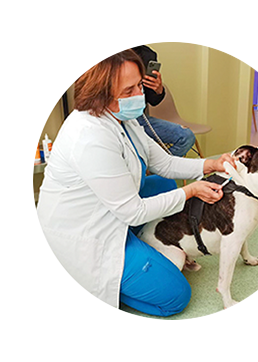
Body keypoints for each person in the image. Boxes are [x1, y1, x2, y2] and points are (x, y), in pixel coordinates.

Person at [37, 49, 235, 317]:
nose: (139, 95)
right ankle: (104, 284)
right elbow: (133, 211)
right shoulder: (89, 136)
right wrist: (190, 191)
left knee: (165, 185)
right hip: (86, 234)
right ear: (101, 94)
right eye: (128, 90)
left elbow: (164, 163)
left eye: (139, 85)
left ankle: (139, 250)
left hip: (112, 210)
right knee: (176, 296)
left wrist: (210, 164)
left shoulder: (123, 117)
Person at [132, 45, 196, 157]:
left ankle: (157, 170)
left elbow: (153, 100)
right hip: (110, 117)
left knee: (186, 137)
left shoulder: (147, 54)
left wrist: (158, 90)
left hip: (139, 118)